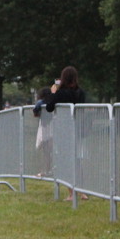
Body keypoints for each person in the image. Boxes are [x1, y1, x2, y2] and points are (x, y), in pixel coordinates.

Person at [45, 66, 87, 201]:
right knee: (78, 161)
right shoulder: (81, 92)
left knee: (67, 160)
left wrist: (53, 93)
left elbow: (49, 107)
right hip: (78, 129)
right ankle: (82, 191)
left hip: (64, 130)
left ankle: (71, 193)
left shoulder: (60, 93)